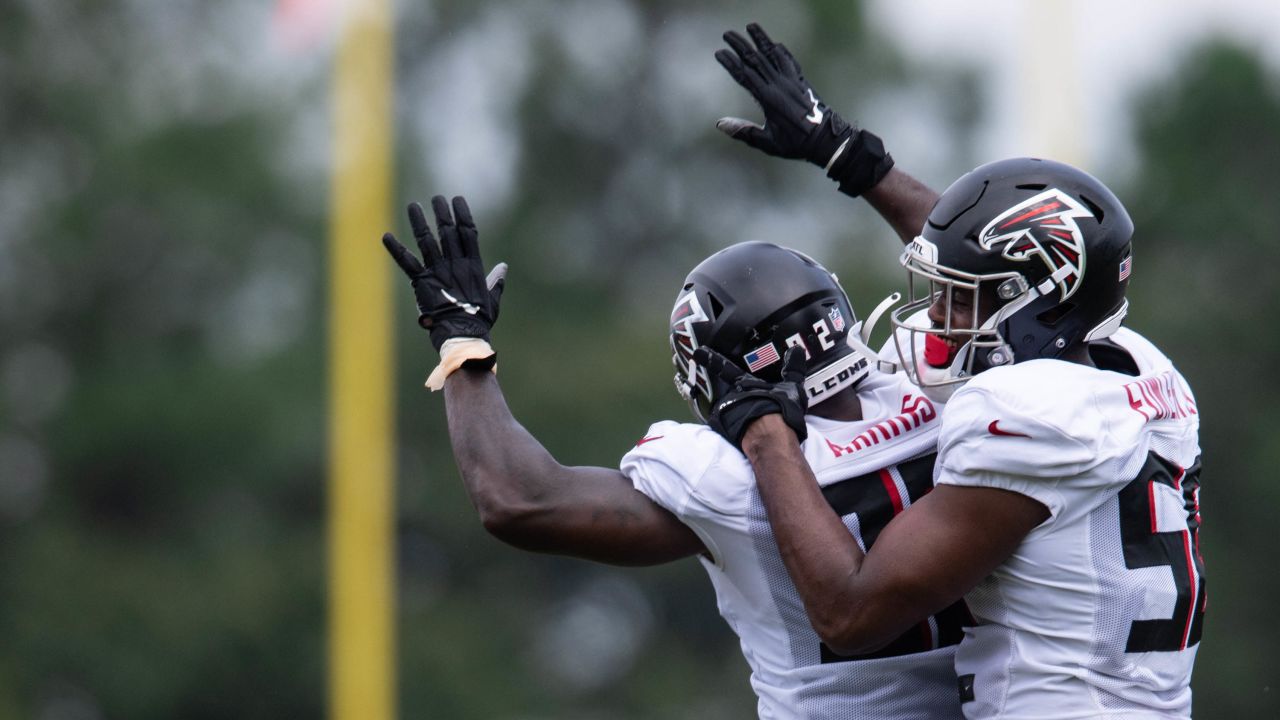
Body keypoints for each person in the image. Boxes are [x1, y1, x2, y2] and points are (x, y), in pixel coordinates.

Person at [710, 24, 1205, 719]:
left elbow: (850, 614)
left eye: (957, 300)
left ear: (1036, 304)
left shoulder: (1027, 414)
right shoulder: (1145, 373)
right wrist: (852, 159)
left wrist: (765, 431)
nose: (939, 317)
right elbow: (991, 263)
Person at [380, 196, 968, 718]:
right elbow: (993, 270)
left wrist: (462, 346)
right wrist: (863, 164)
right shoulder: (946, 394)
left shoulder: (729, 473)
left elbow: (517, 500)